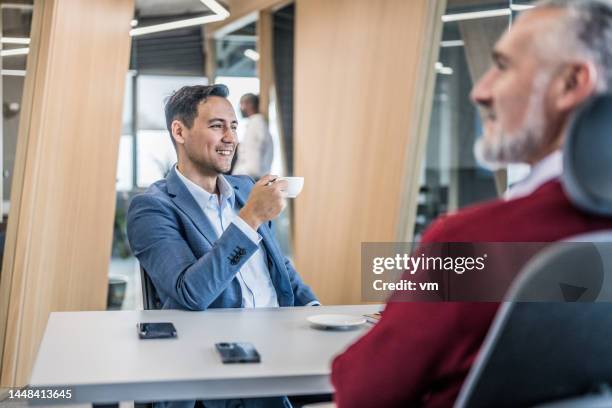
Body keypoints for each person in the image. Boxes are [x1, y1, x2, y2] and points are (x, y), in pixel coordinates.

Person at [331, 1, 612, 407]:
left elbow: (363, 392)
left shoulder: (472, 239)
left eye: (503, 65)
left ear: (571, 83)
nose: (480, 90)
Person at [127, 84, 318, 408]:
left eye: (233, 126)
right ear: (179, 131)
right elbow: (191, 292)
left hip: (284, 347)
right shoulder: (153, 208)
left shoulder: (245, 189)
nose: (231, 138)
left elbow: (278, 266)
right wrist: (250, 219)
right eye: (217, 126)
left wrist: (315, 312)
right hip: (219, 365)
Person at [231, 93, 274, 179]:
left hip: (250, 178)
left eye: (241, 104)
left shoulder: (256, 124)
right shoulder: (256, 123)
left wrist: (237, 177)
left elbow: (253, 162)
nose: (240, 108)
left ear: (249, 104)